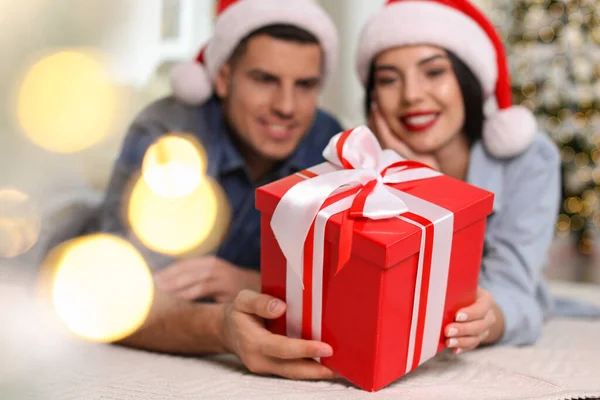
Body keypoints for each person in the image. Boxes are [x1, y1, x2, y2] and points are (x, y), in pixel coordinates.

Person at [76, 0, 343, 380]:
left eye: (305, 85)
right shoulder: (168, 133)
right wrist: (220, 327)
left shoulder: (329, 144)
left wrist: (248, 282)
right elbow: (114, 297)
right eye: (264, 79)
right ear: (222, 78)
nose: (287, 106)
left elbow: (340, 285)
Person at [355, 0, 566, 353]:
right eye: (389, 79)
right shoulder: (358, 165)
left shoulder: (529, 159)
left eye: (434, 72)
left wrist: (488, 321)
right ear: (374, 100)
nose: (411, 95)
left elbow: (512, 292)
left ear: (469, 80)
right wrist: (415, 183)